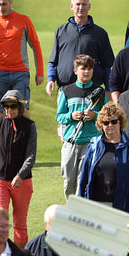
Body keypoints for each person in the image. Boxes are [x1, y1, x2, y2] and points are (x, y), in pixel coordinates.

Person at [0, 90, 36, 246]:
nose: (9, 110)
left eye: (13, 106)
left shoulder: (29, 126)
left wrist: (20, 175)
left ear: (20, 107)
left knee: (20, 224)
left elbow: (30, 156)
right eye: (6, 106)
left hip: (22, 182)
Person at [78, 102, 129, 217]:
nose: (110, 125)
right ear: (101, 125)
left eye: (114, 121)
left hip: (126, 206)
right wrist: (80, 201)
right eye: (106, 122)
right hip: (98, 205)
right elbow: (84, 178)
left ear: (120, 122)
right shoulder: (94, 145)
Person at [0, 0, 43, 110]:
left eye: (4, 4)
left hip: (21, 73)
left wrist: (40, 72)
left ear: (11, 2)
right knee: (3, 113)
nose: (1, 8)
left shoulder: (24, 20)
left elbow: (35, 45)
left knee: (22, 110)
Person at [45, 0, 113, 97]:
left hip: (92, 91)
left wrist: (109, 90)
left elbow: (107, 66)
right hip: (65, 89)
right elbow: (53, 61)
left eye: (84, 4)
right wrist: (50, 79)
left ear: (89, 6)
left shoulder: (100, 33)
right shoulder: (61, 31)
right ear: (72, 6)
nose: (81, 7)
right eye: (78, 4)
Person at [56, 54, 104, 197]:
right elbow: (59, 116)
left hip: (91, 142)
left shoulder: (99, 91)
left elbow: (107, 115)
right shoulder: (67, 91)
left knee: (83, 180)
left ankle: (79, 212)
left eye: (89, 68)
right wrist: (71, 116)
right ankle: (71, 208)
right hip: (71, 142)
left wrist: (95, 115)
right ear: (76, 70)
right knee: (69, 181)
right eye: (83, 68)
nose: (87, 71)